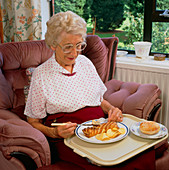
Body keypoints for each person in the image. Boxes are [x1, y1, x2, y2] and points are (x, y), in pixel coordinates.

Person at [24, 11, 123, 168]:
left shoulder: (86, 63)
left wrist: (112, 109)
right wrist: (54, 133)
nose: (75, 53)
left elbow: (99, 100)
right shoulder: (41, 74)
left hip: (99, 128)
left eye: (79, 45)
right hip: (68, 137)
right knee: (104, 163)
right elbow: (33, 121)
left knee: (131, 154)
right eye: (68, 47)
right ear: (53, 45)